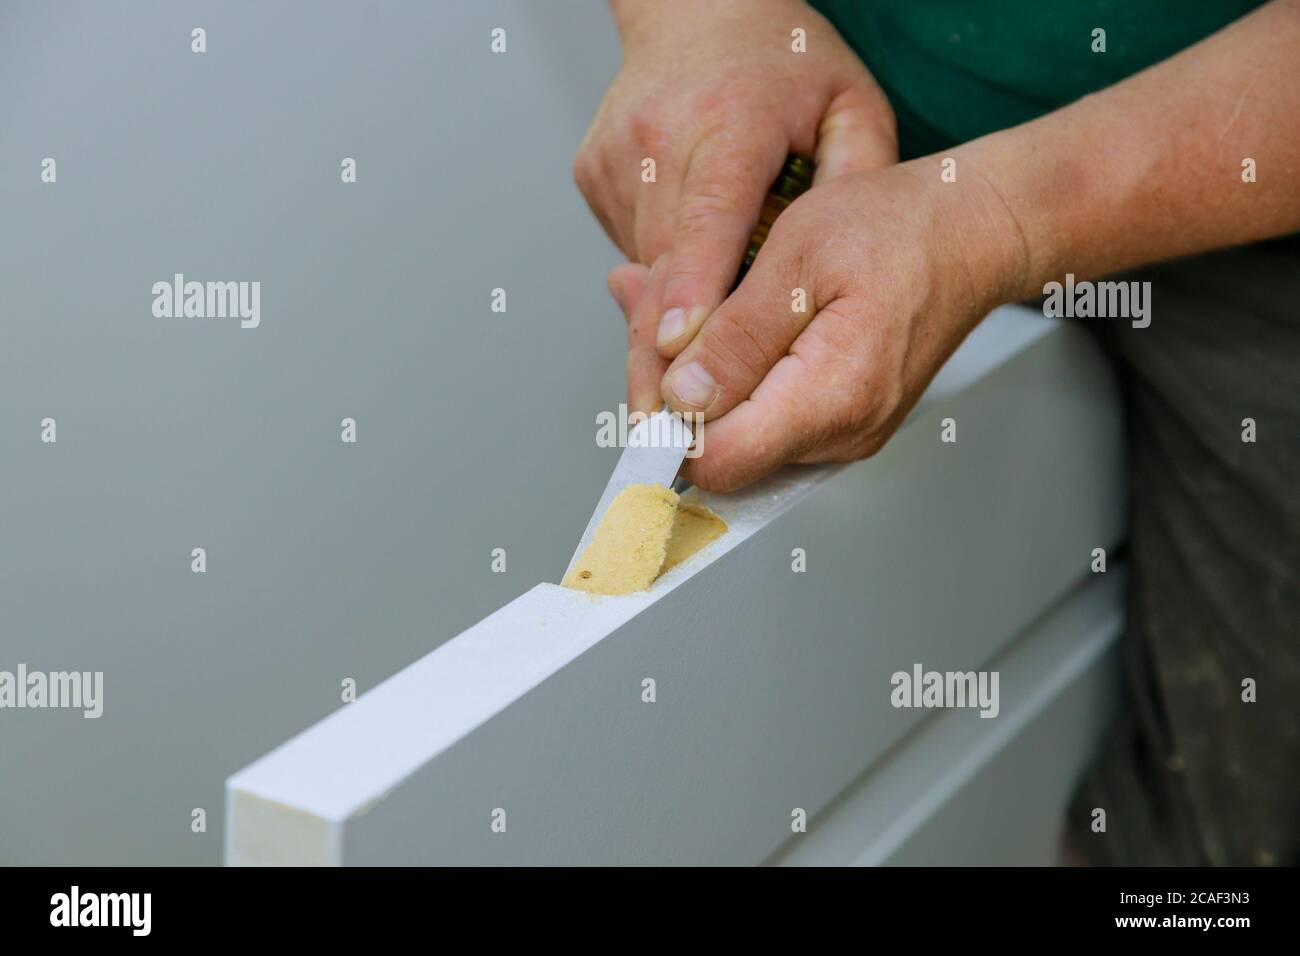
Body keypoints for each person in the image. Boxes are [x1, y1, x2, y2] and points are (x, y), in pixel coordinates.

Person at [574, 0, 1299, 866]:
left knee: (1240, 823)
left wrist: (993, 219)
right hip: (856, 158)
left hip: (1255, 163)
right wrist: (699, 23)